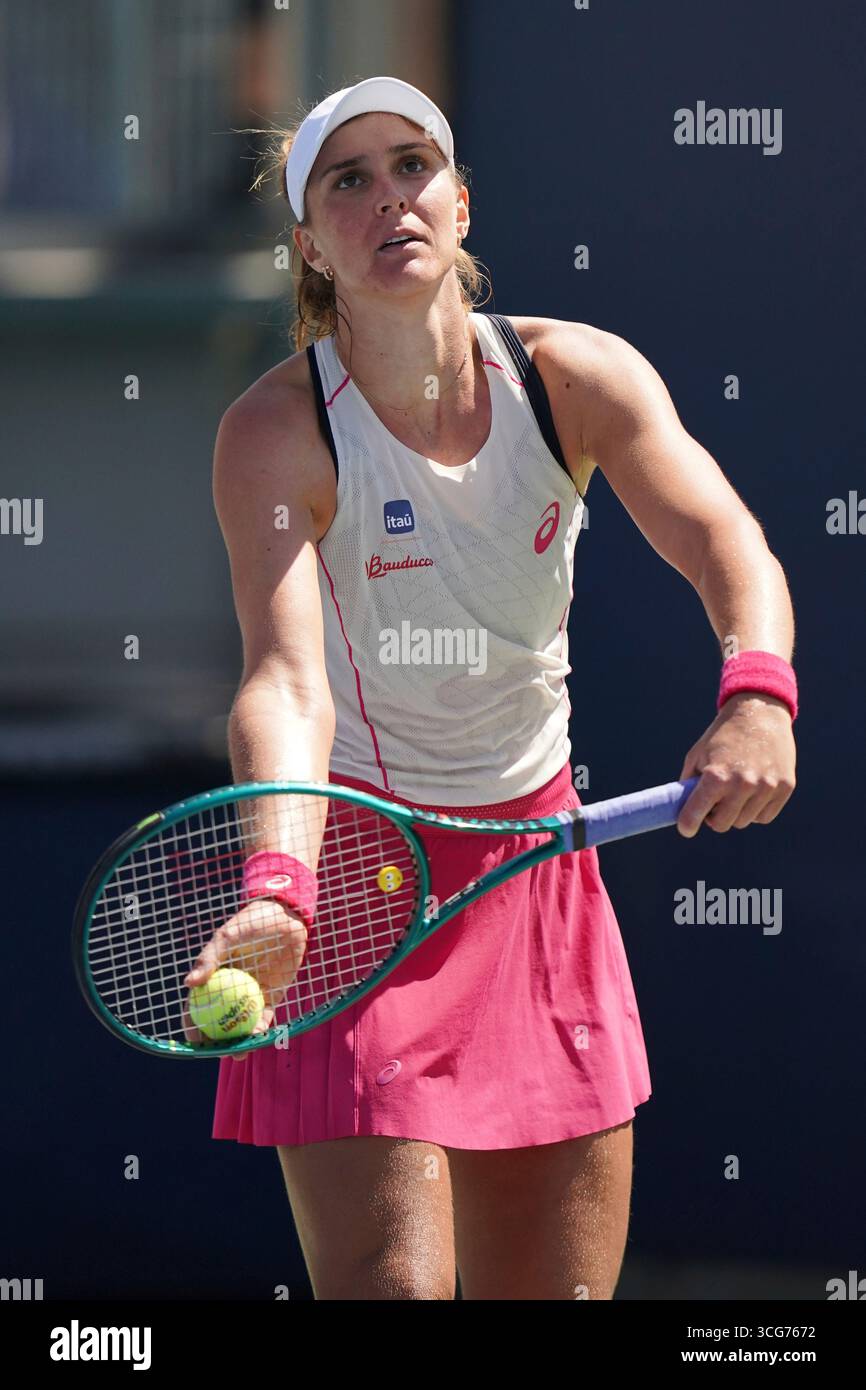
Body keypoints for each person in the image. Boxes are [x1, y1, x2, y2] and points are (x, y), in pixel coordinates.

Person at [185, 77, 797, 1300]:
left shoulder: (575, 375)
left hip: (533, 867)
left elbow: (727, 541)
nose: (386, 197)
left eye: (410, 166)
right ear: (309, 247)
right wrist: (280, 881)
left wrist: (756, 696)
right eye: (345, 181)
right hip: (350, 883)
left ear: (458, 204)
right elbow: (287, 679)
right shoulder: (276, 430)